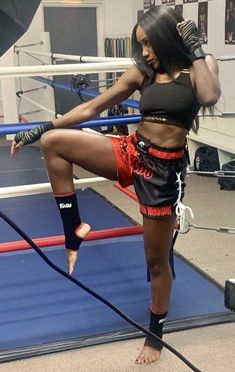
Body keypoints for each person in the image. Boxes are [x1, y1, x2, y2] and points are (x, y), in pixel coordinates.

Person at [11, 6, 220, 366]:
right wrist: (44, 127)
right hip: (132, 151)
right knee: (55, 144)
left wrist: (197, 49)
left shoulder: (200, 66)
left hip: (164, 174)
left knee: (156, 261)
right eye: (141, 46)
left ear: (168, 36)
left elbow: (210, 95)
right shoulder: (143, 72)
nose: (146, 53)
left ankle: (155, 332)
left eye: (149, 44)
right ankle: (73, 228)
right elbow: (93, 107)